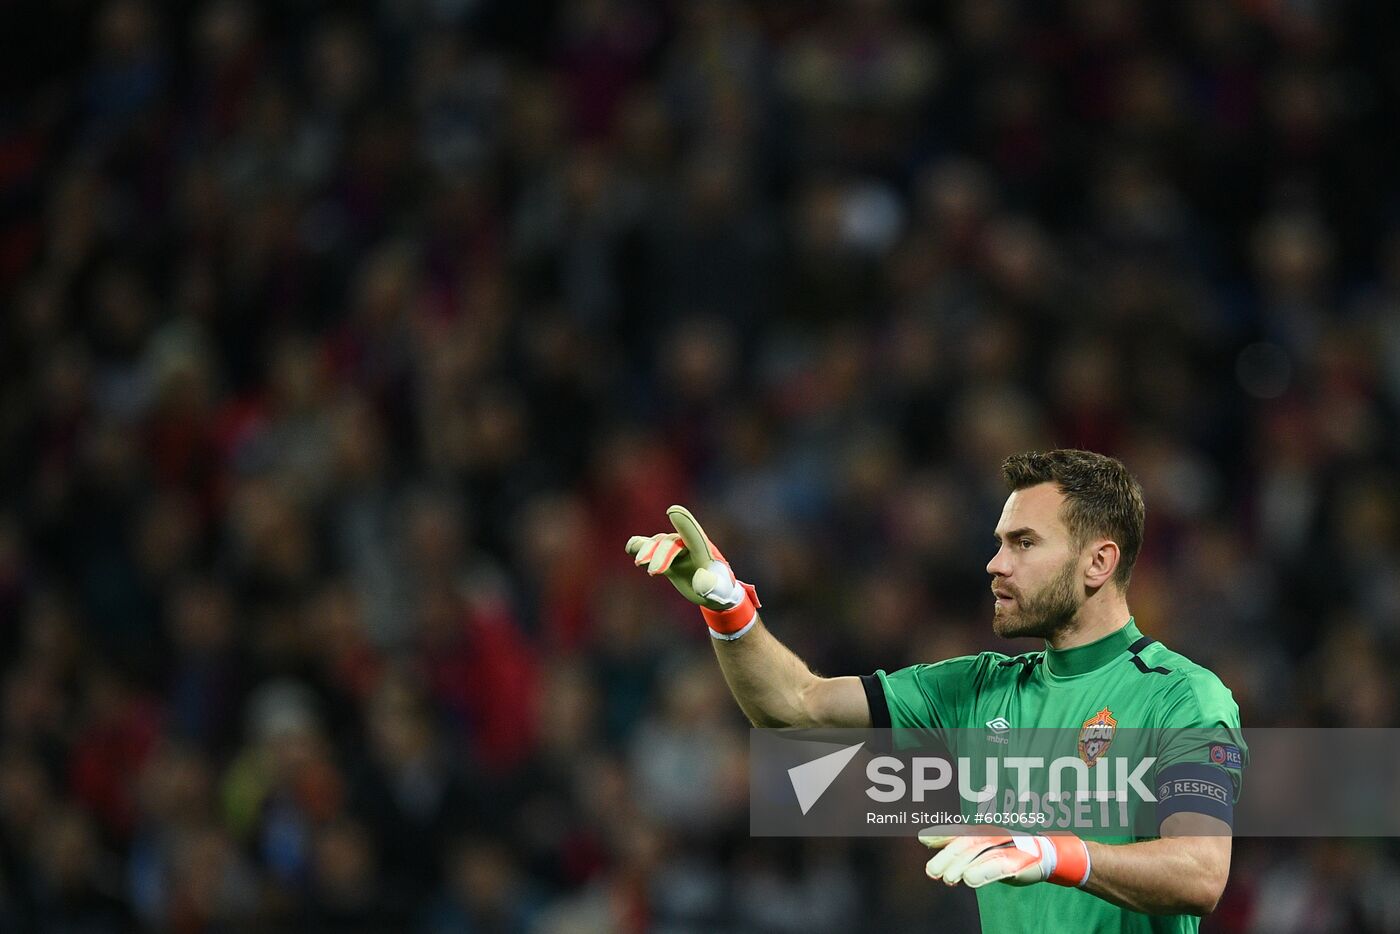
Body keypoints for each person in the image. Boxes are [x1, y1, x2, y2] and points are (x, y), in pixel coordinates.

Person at [626, 449, 1244, 932]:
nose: (996, 563)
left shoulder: (1182, 697)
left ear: (1098, 563)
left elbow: (1200, 872)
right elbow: (794, 707)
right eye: (999, 542)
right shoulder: (977, 688)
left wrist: (1053, 853)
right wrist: (728, 606)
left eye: (1024, 543)